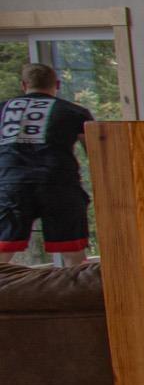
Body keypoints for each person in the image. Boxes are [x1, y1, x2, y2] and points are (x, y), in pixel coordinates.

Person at [0, 63, 95, 267]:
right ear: (57, 84)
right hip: (59, 183)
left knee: (3, 249)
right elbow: (94, 153)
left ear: (24, 85)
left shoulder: (3, 109)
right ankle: (75, 286)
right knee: (72, 252)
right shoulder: (74, 112)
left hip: (11, 184)